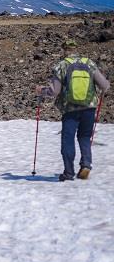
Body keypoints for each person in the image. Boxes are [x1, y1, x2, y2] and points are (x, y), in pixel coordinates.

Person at [40, 40, 109, 181]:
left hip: (70, 109)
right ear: (76, 49)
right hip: (89, 107)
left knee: (68, 139)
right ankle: (86, 165)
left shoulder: (62, 65)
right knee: (84, 137)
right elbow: (105, 85)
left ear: (64, 50)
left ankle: (68, 173)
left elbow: (54, 91)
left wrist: (41, 91)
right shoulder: (89, 63)